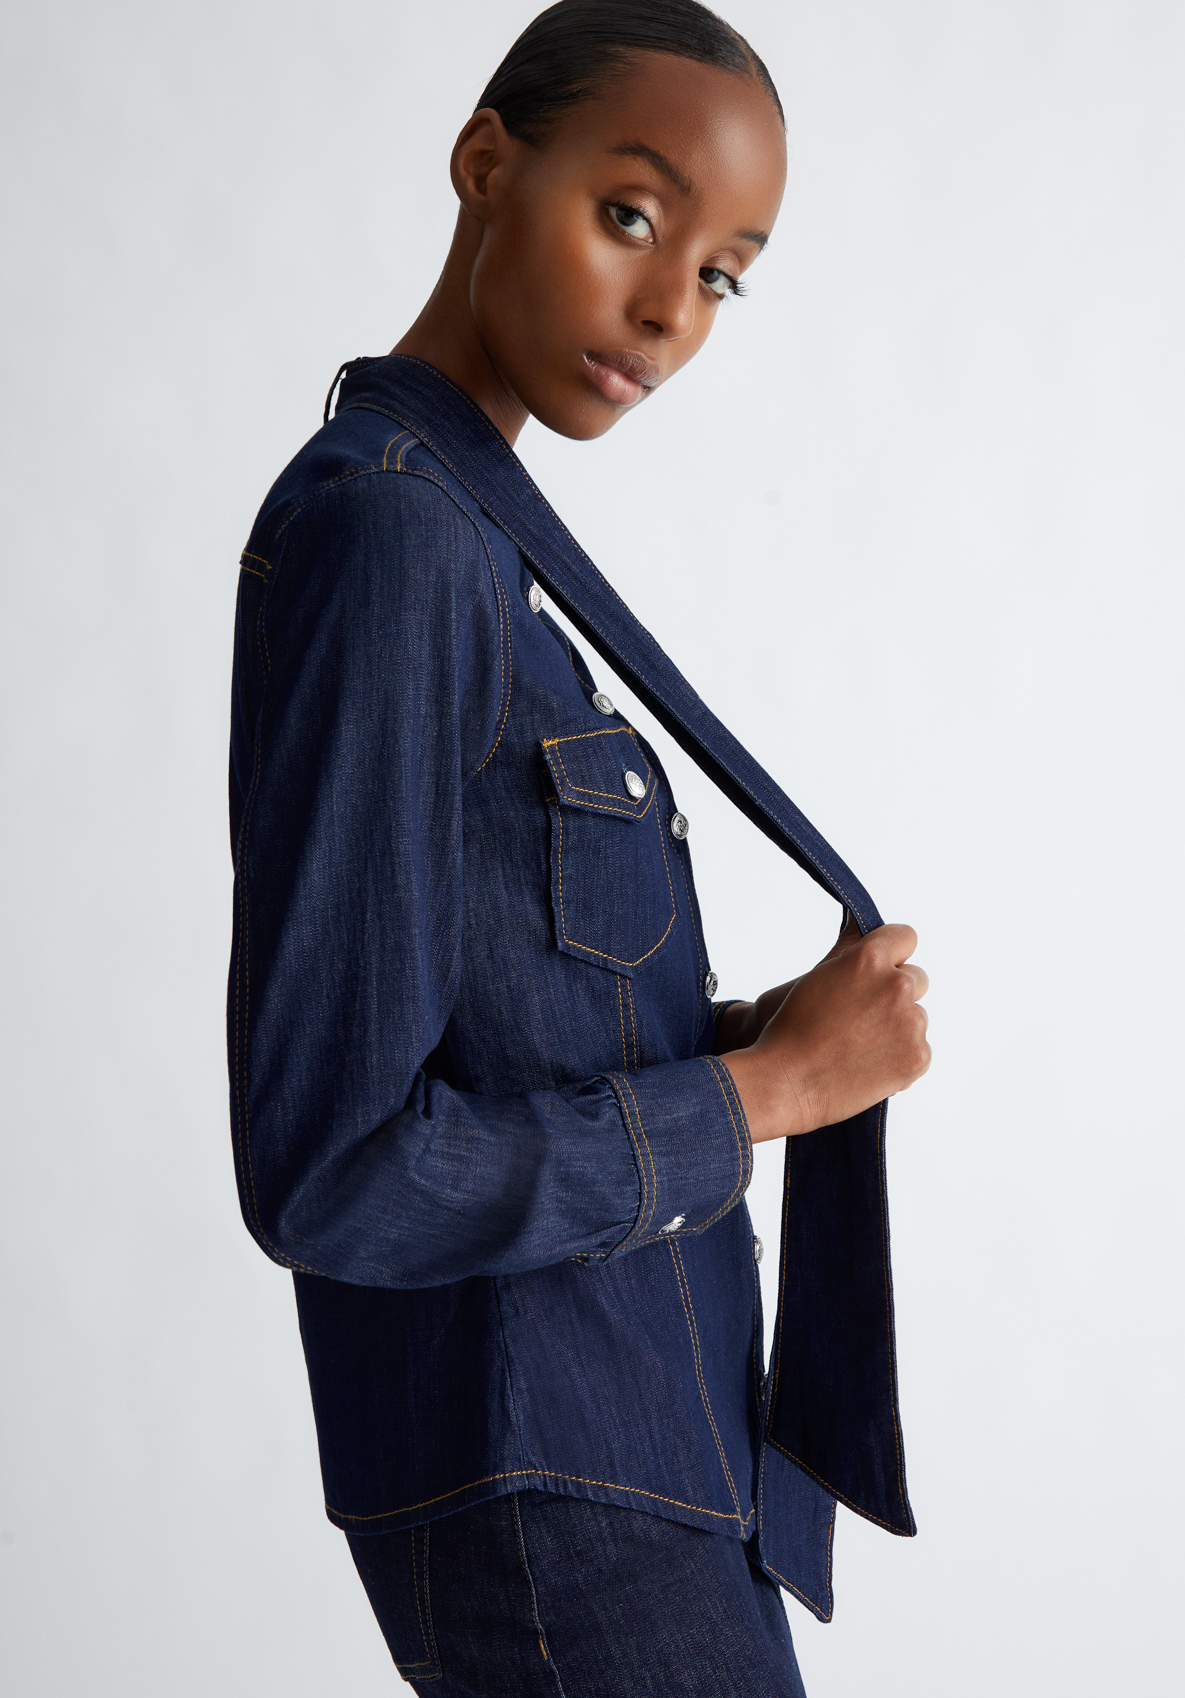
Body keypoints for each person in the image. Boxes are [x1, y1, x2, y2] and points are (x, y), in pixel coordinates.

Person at [227, 2, 931, 1691]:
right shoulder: (396, 540)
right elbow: (337, 1167)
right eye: (630, 214)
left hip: (642, 1446)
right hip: (555, 1490)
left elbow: (497, 1035)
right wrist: (764, 1094)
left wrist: (742, 1042)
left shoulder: (471, 549)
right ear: (486, 162)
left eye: (722, 275)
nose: (668, 308)